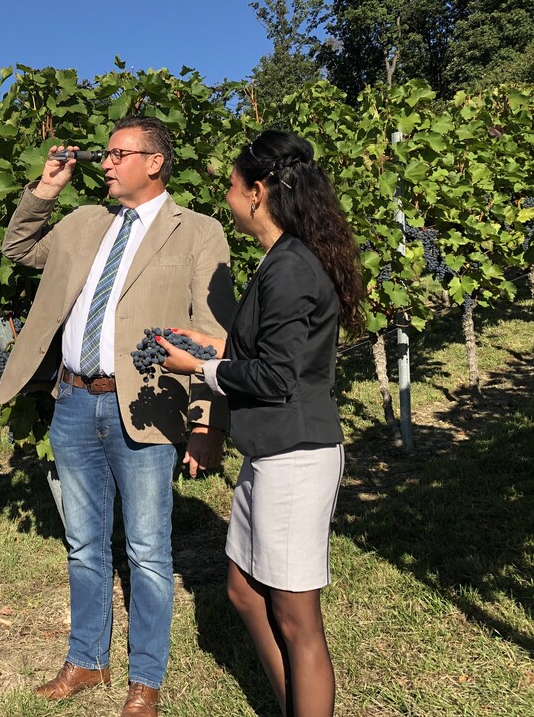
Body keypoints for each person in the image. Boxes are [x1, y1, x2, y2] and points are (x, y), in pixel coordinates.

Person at [0, 116, 237, 717]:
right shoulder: (83, 223)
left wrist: (205, 422)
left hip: (149, 407)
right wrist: (45, 188)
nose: (104, 163)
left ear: (155, 161)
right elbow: (19, 248)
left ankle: (145, 680)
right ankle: (87, 660)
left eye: (117, 154)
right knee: (83, 543)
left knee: (149, 549)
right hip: (74, 400)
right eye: (105, 154)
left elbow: (211, 334)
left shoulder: (198, 233)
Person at [157, 130, 366, 717]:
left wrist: (202, 368)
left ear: (259, 192)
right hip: (270, 450)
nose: (226, 195)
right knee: (244, 592)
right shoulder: (284, 260)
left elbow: (278, 377)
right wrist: (215, 345)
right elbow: (272, 352)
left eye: (231, 185)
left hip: (294, 456)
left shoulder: (291, 268)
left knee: (298, 621)